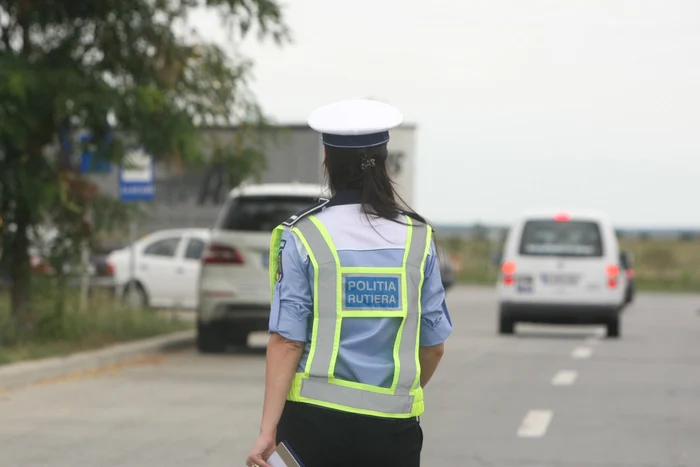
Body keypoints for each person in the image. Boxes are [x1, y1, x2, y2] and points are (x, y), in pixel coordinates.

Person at [246, 99, 453, 467]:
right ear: (385, 162)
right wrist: (396, 398)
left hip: (312, 428)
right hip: (392, 433)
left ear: (327, 160)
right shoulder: (417, 239)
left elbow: (287, 342)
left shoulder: (303, 235)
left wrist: (267, 431)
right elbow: (433, 347)